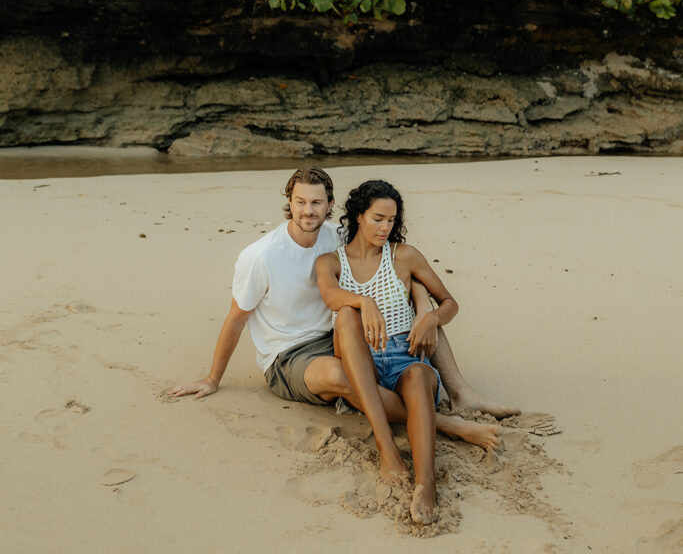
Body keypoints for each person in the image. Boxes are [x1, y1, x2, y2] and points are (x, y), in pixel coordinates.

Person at [170, 166, 515, 456]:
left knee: (420, 318)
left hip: (337, 335)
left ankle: (461, 394)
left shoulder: (336, 237)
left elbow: (396, 268)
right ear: (289, 203)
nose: (308, 211)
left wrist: (424, 307)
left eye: (317, 203)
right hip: (289, 355)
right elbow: (236, 319)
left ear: (330, 205)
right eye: (301, 202)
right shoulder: (261, 256)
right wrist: (213, 378)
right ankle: (447, 424)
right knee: (340, 375)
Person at [317, 179, 461, 525]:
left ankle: (426, 482)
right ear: (358, 216)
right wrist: (363, 300)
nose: (385, 227)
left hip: (405, 352)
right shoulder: (330, 262)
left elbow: (450, 303)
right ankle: (387, 450)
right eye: (378, 219)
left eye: (391, 220)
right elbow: (331, 298)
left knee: (419, 376)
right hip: (358, 358)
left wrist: (430, 320)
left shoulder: (404, 256)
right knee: (347, 317)